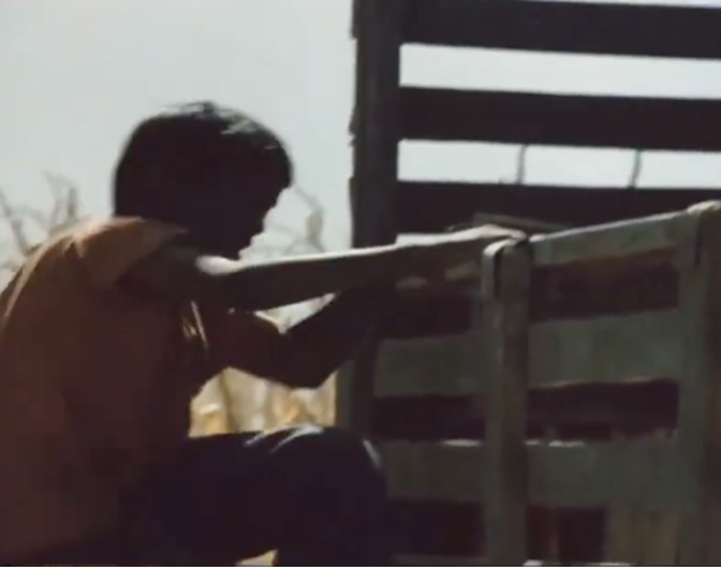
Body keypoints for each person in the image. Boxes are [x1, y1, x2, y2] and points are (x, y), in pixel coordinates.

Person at [0, 102, 524, 565]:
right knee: (323, 464)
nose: (258, 226)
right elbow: (240, 287)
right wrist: (420, 254)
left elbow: (301, 360)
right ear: (172, 185)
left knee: (322, 464)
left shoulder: (189, 302)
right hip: (55, 532)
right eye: (249, 203)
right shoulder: (105, 242)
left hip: (125, 518)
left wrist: (384, 280)